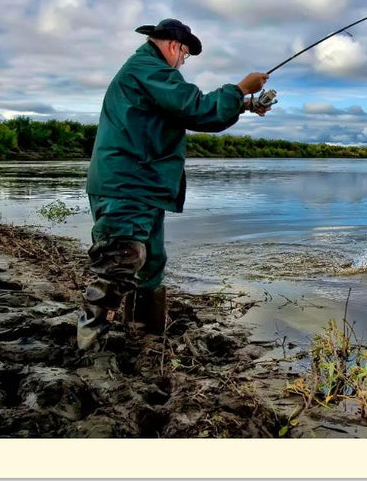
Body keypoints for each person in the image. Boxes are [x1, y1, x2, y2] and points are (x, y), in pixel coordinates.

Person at [78, 18, 272, 350]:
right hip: (127, 184)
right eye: (185, 54)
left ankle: (145, 337)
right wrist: (240, 88)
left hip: (143, 185)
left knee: (151, 263)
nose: (184, 61)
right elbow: (195, 108)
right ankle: (89, 348)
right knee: (119, 262)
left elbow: (189, 111)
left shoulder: (150, 73)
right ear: (172, 46)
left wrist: (244, 104)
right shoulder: (148, 69)